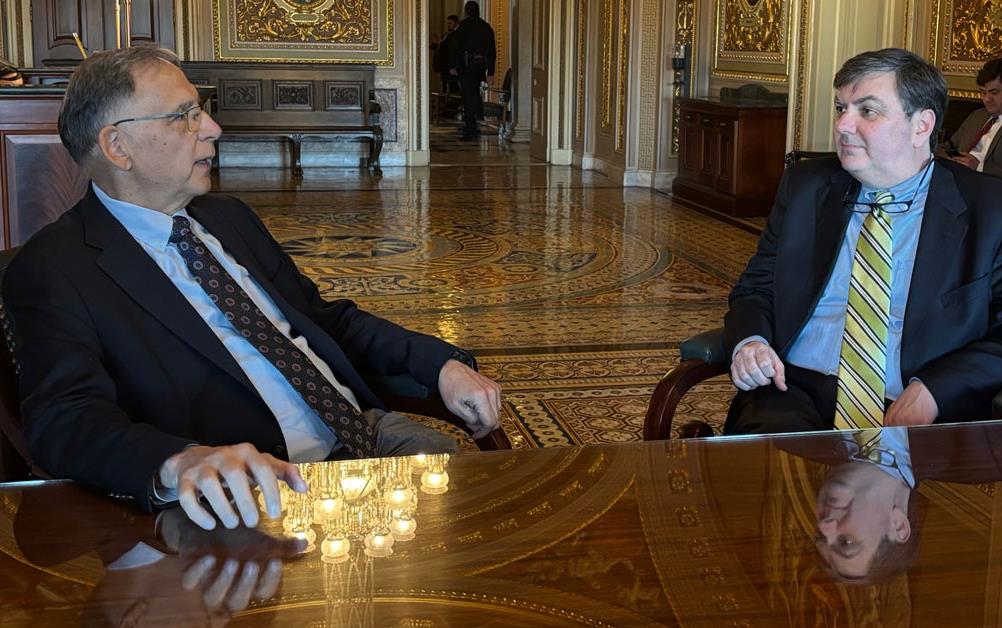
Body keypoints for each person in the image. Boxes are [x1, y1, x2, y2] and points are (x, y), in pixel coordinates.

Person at [2, 45, 503, 531]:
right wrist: (180, 462)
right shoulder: (55, 268)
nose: (214, 129)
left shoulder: (228, 217)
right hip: (256, 490)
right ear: (118, 146)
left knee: (483, 528)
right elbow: (65, 420)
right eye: (186, 115)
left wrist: (440, 365)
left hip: (366, 433)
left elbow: (326, 320)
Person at [725, 48, 1002, 435]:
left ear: (921, 125)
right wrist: (751, 343)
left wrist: (935, 390)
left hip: (922, 405)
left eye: (867, 111)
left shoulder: (989, 209)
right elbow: (756, 288)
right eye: (841, 108)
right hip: (793, 388)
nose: (842, 125)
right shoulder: (807, 186)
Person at [936, 58, 1002, 177]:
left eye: (994, 92)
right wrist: (948, 158)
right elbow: (947, 147)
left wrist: (979, 166)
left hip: (991, 188)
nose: (987, 99)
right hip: (957, 179)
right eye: (983, 92)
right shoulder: (977, 116)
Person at [448, 1, 496, 140]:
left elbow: (455, 48)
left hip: (467, 66)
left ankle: (471, 130)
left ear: (466, 12)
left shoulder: (463, 26)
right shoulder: (487, 27)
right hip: (481, 66)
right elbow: (492, 52)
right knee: (475, 95)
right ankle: (474, 125)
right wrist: (490, 72)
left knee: (468, 97)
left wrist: (454, 66)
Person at [433, 14, 461, 93]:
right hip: (444, 67)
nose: (448, 25)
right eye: (447, 23)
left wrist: (454, 66)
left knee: (453, 88)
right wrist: (436, 44)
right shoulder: (446, 34)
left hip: (451, 67)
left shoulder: (458, 34)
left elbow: (454, 50)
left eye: (450, 23)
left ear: (456, 23)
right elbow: (443, 46)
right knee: (444, 87)